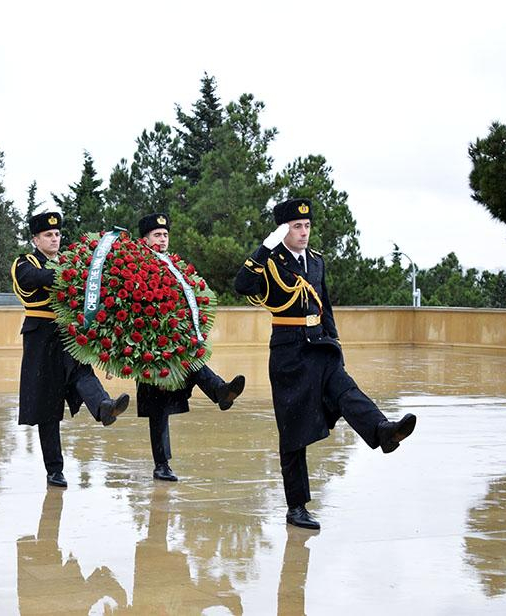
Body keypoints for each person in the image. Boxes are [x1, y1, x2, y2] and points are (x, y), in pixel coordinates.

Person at [234, 197, 417, 530]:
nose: (303, 233)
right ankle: (297, 507)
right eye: (295, 227)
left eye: (306, 226)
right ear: (282, 230)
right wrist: (264, 248)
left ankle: (383, 430)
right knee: (292, 432)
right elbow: (242, 285)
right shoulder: (271, 262)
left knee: (346, 390)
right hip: (289, 353)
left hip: (320, 346)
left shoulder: (316, 262)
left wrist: (335, 343)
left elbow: (326, 305)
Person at [12, 211, 130, 488]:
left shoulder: (69, 263)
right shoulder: (25, 262)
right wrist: (74, 274)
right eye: (48, 235)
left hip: (69, 334)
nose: (54, 239)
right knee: (48, 406)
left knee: (81, 374)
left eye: (57, 234)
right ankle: (55, 470)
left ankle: (104, 408)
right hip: (41, 337)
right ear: (35, 239)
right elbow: (32, 280)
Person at [136, 213, 246, 482]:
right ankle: (161, 464)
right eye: (157, 235)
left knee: (194, 364)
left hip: (176, 340)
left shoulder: (176, 267)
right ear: (144, 240)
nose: (162, 240)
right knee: (157, 408)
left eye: (165, 235)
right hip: (148, 346)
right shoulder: (134, 267)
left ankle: (220, 391)